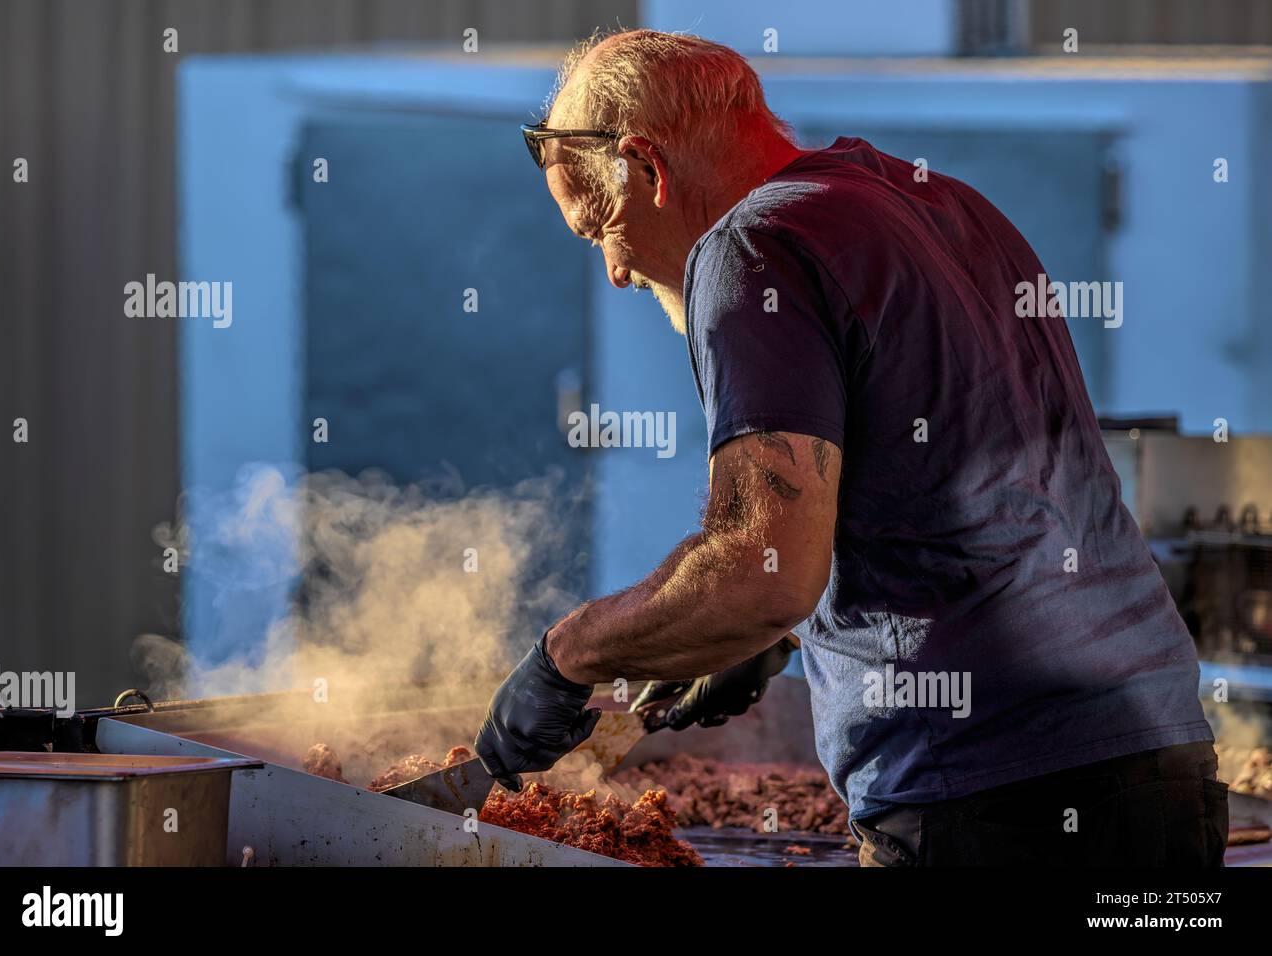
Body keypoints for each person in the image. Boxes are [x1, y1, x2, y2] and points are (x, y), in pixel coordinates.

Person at [476, 29, 1225, 866]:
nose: (615, 271)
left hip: (982, 801)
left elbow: (755, 569)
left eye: (598, 227)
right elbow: (966, 491)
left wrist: (566, 656)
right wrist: (781, 633)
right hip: (1162, 772)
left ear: (646, 167)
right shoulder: (945, 205)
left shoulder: (753, 245)